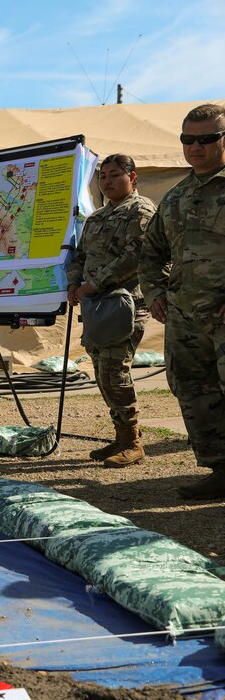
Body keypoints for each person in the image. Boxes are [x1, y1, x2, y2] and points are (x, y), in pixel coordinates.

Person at [140, 103, 225, 499]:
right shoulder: (176, 196)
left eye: (207, 138)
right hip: (186, 319)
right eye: (188, 139)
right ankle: (220, 469)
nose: (196, 146)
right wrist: (156, 293)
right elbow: (151, 252)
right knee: (193, 391)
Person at [67, 155, 156, 468]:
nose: (107, 182)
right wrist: (74, 284)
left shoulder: (140, 209)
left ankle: (132, 441)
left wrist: (95, 283)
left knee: (115, 371)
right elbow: (79, 255)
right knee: (102, 371)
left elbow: (137, 255)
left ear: (132, 177)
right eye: (102, 176)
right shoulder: (96, 218)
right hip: (96, 304)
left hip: (125, 302)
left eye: (115, 175)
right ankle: (121, 437)